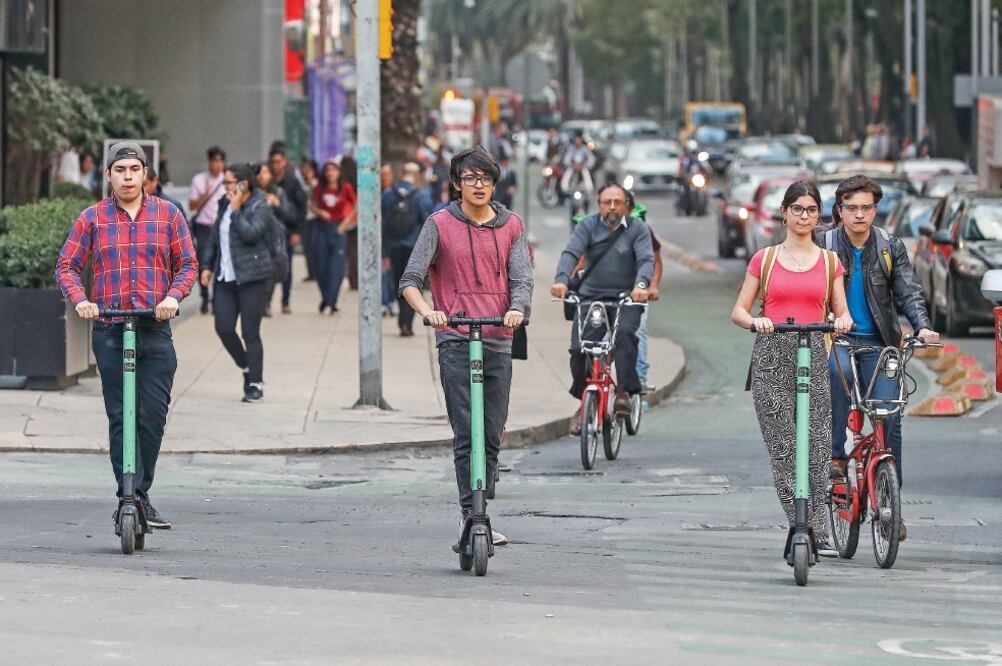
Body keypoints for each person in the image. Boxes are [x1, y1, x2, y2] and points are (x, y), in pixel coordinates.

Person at [55, 141, 197, 529]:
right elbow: (66, 265)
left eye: (134, 169)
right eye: (120, 170)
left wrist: (172, 295)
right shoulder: (92, 218)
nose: (128, 177)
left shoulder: (168, 215)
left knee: (151, 417)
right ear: (108, 175)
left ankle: (141, 492)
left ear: (145, 173)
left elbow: (187, 264)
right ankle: (128, 497)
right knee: (121, 417)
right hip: (111, 330)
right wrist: (82, 300)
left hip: (154, 330)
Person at [399, 146, 533, 547]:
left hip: (497, 336)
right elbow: (410, 280)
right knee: (465, 432)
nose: (479, 186)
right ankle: (472, 515)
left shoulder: (511, 225)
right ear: (457, 184)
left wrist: (517, 309)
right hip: (456, 338)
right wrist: (430, 312)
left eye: (486, 178)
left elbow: (522, 278)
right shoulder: (439, 223)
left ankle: (482, 503)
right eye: (470, 179)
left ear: (495, 183)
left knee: (491, 432)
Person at [731, 180, 853, 558]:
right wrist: (756, 322)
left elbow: (841, 309)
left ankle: (814, 527)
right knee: (784, 447)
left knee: (816, 448)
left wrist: (842, 321)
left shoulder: (830, 262)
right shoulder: (764, 259)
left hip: (814, 351)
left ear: (820, 216)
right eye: (797, 209)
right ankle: (801, 524)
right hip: (772, 353)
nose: (804, 216)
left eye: (811, 210)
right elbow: (738, 310)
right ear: (784, 212)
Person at [820, 175, 939, 541]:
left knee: (890, 419)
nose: (859, 214)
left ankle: (890, 501)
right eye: (851, 207)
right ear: (839, 210)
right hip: (833, 339)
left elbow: (908, 290)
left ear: (876, 209)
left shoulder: (890, 245)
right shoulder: (822, 242)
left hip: (879, 343)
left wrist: (922, 327)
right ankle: (838, 459)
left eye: (867, 207)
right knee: (837, 381)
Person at [551, 183, 653, 432]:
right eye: (607, 202)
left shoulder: (638, 229)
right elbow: (571, 252)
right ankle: (586, 398)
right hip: (590, 298)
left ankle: (624, 392)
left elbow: (646, 260)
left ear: (626, 205)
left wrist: (641, 285)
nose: (612, 207)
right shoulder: (587, 225)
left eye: (617, 202)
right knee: (579, 349)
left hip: (626, 297)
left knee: (627, 335)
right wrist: (562, 280)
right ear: (599, 205)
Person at [198, 163, 276, 403]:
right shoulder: (224, 202)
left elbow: (252, 234)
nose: (225, 187)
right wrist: (207, 266)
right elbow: (214, 237)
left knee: (250, 333)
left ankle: (255, 382)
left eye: (229, 182)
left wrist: (237, 210)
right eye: (225, 182)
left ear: (243, 183)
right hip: (225, 277)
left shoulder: (260, 205)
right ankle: (245, 366)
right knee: (223, 328)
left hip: (252, 278)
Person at [382, 162, 434, 336]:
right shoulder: (422, 197)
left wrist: (384, 251)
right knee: (413, 283)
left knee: (397, 282)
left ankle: (401, 319)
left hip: (394, 246)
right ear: (417, 175)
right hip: (414, 249)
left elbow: (383, 224)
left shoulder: (388, 194)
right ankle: (406, 321)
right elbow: (429, 225)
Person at [309, 159, 357, 313]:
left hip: (338, 229)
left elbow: (356, 205)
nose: (330, 173)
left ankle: (332, 300)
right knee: (321, 266)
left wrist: (345, 224)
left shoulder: (345, 187)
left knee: (336, 267)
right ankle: (325, 298)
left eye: (334, 170)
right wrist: (319, 212)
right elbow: (312, 203)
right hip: (322, 228)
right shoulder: (320, 188)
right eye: (328, 170)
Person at [188, 146, 228, 314]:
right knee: (204, 262)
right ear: (209, 161)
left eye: (220, 161)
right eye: (214, 161)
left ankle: (216, 299)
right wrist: (206, 193)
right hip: (204, 226)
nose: (217, 165)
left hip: (221, 226)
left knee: (221, 262)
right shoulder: (199, 180)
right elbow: (192, 205)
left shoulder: (228, 180)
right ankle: (205, 297)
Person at [255, 162, 298, 315]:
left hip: (275, 238)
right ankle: (261, 302)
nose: (262, 176)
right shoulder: (250, 194)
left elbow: (290, 216)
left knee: (273, 271)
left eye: (265, 172)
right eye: (258, 173)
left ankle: (267, 302)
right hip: (256, 237)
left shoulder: (278, 192)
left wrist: (277, 204)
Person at [269, 145, 308, 286]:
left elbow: (302, 208)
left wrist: (298, 232)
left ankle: (285, 300)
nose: (275, 165)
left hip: (288, 229)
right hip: (268, 231)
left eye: (278, 162)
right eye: (273, 162)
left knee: (286, 266)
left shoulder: (293, 182)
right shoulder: (267, 182)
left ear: (284, 162)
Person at [339, 156, 360, 290]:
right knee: (354, 251)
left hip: (345, 220)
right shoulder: (357, 180)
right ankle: (355, 279)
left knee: (349, 252)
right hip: (356, 221)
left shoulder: (344, 183)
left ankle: (352, 278)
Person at [299, 157, 320, 282]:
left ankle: (317, 271)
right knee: (307, 246)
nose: (305, 171)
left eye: (307, 168)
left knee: (314, 246)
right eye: (303, 168)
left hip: (315, 218)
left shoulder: (317, 184)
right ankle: (311, 272)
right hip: (304, 218)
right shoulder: (300, 183)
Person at [560, 132, 595, 197]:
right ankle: (565, 188)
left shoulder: (585, 149)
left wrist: (584, 165)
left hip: (583, 166)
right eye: (576, 140)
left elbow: (591, 159)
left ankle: (589, 189)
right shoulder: (571, 149)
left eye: (579, 140)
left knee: (586, 173)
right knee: (568, 172)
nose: (577, 142)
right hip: (573, 166)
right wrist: (572, 165)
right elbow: (567, 159)